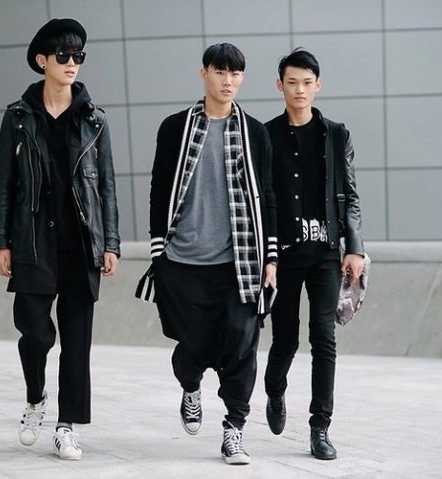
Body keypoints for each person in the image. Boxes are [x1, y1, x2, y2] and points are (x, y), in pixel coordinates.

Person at [0, 18, 120, 461]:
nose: (71, 63)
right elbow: (4, 184)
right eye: (62, 55)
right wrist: (1, 241)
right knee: (33, 330)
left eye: (78, 55)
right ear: (42, 60)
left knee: (77, 340)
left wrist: (111, 243)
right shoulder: (18, 117)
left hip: (81, 243)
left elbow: (106, 187)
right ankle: (35, 397)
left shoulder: (95, 119)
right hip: (32, 241)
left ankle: (67, 425)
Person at [148, 43, 278, 465]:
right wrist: (158, 253)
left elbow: (268, 197)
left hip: (239, 262)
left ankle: (234, 429)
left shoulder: (254, 132)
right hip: (183, 261)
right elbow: (159, 189)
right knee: (192, 347)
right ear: (204, 73)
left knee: (242, 343)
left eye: (235, 73)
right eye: (220, 72)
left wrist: (270, 259)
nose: (228, 81)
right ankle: (190, 386)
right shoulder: (175, 128)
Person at [263, 48, 365, 460]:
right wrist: (265, 256)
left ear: (318, 85)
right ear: (280, 85)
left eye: (307, 83)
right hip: (283, 255)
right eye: (292, 82)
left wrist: (354, 247)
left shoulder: (337, 135)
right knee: (284, 340)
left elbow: (351, 195)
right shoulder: (265, 135)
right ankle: (274, 392)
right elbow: (261, 199)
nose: (300, 90)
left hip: (325, 253)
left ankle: (319, 427)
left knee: (324, 338)